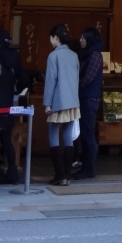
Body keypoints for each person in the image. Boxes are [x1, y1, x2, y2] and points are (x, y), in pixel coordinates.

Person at [0, 29, 30, 185]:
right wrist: (16, 91)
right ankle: (12, 171)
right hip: (8, 104)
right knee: (7, 139)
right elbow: (25, 79)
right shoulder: (14, 58)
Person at [43, 23, 80, 186]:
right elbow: (76, 79)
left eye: (51, 38)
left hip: (58, 101)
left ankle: (59, 175)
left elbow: (51, 81)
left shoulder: (53, 56)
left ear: (55, 38)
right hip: (73, 101)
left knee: (53, 134)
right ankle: (67, 175)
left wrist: (47, 103)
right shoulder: (74, 55)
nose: (50, 41)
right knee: (68, 136)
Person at [75, 27, 104, 180]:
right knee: (85, 133)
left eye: (83, 38)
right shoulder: (87, 54)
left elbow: (88, 78)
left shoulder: (95, 55)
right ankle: (85, 166)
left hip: (89, 99)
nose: (80, 40)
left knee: (88, 134)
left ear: (89, 39)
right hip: (85, 98)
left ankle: (89, 168)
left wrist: (74, 88)